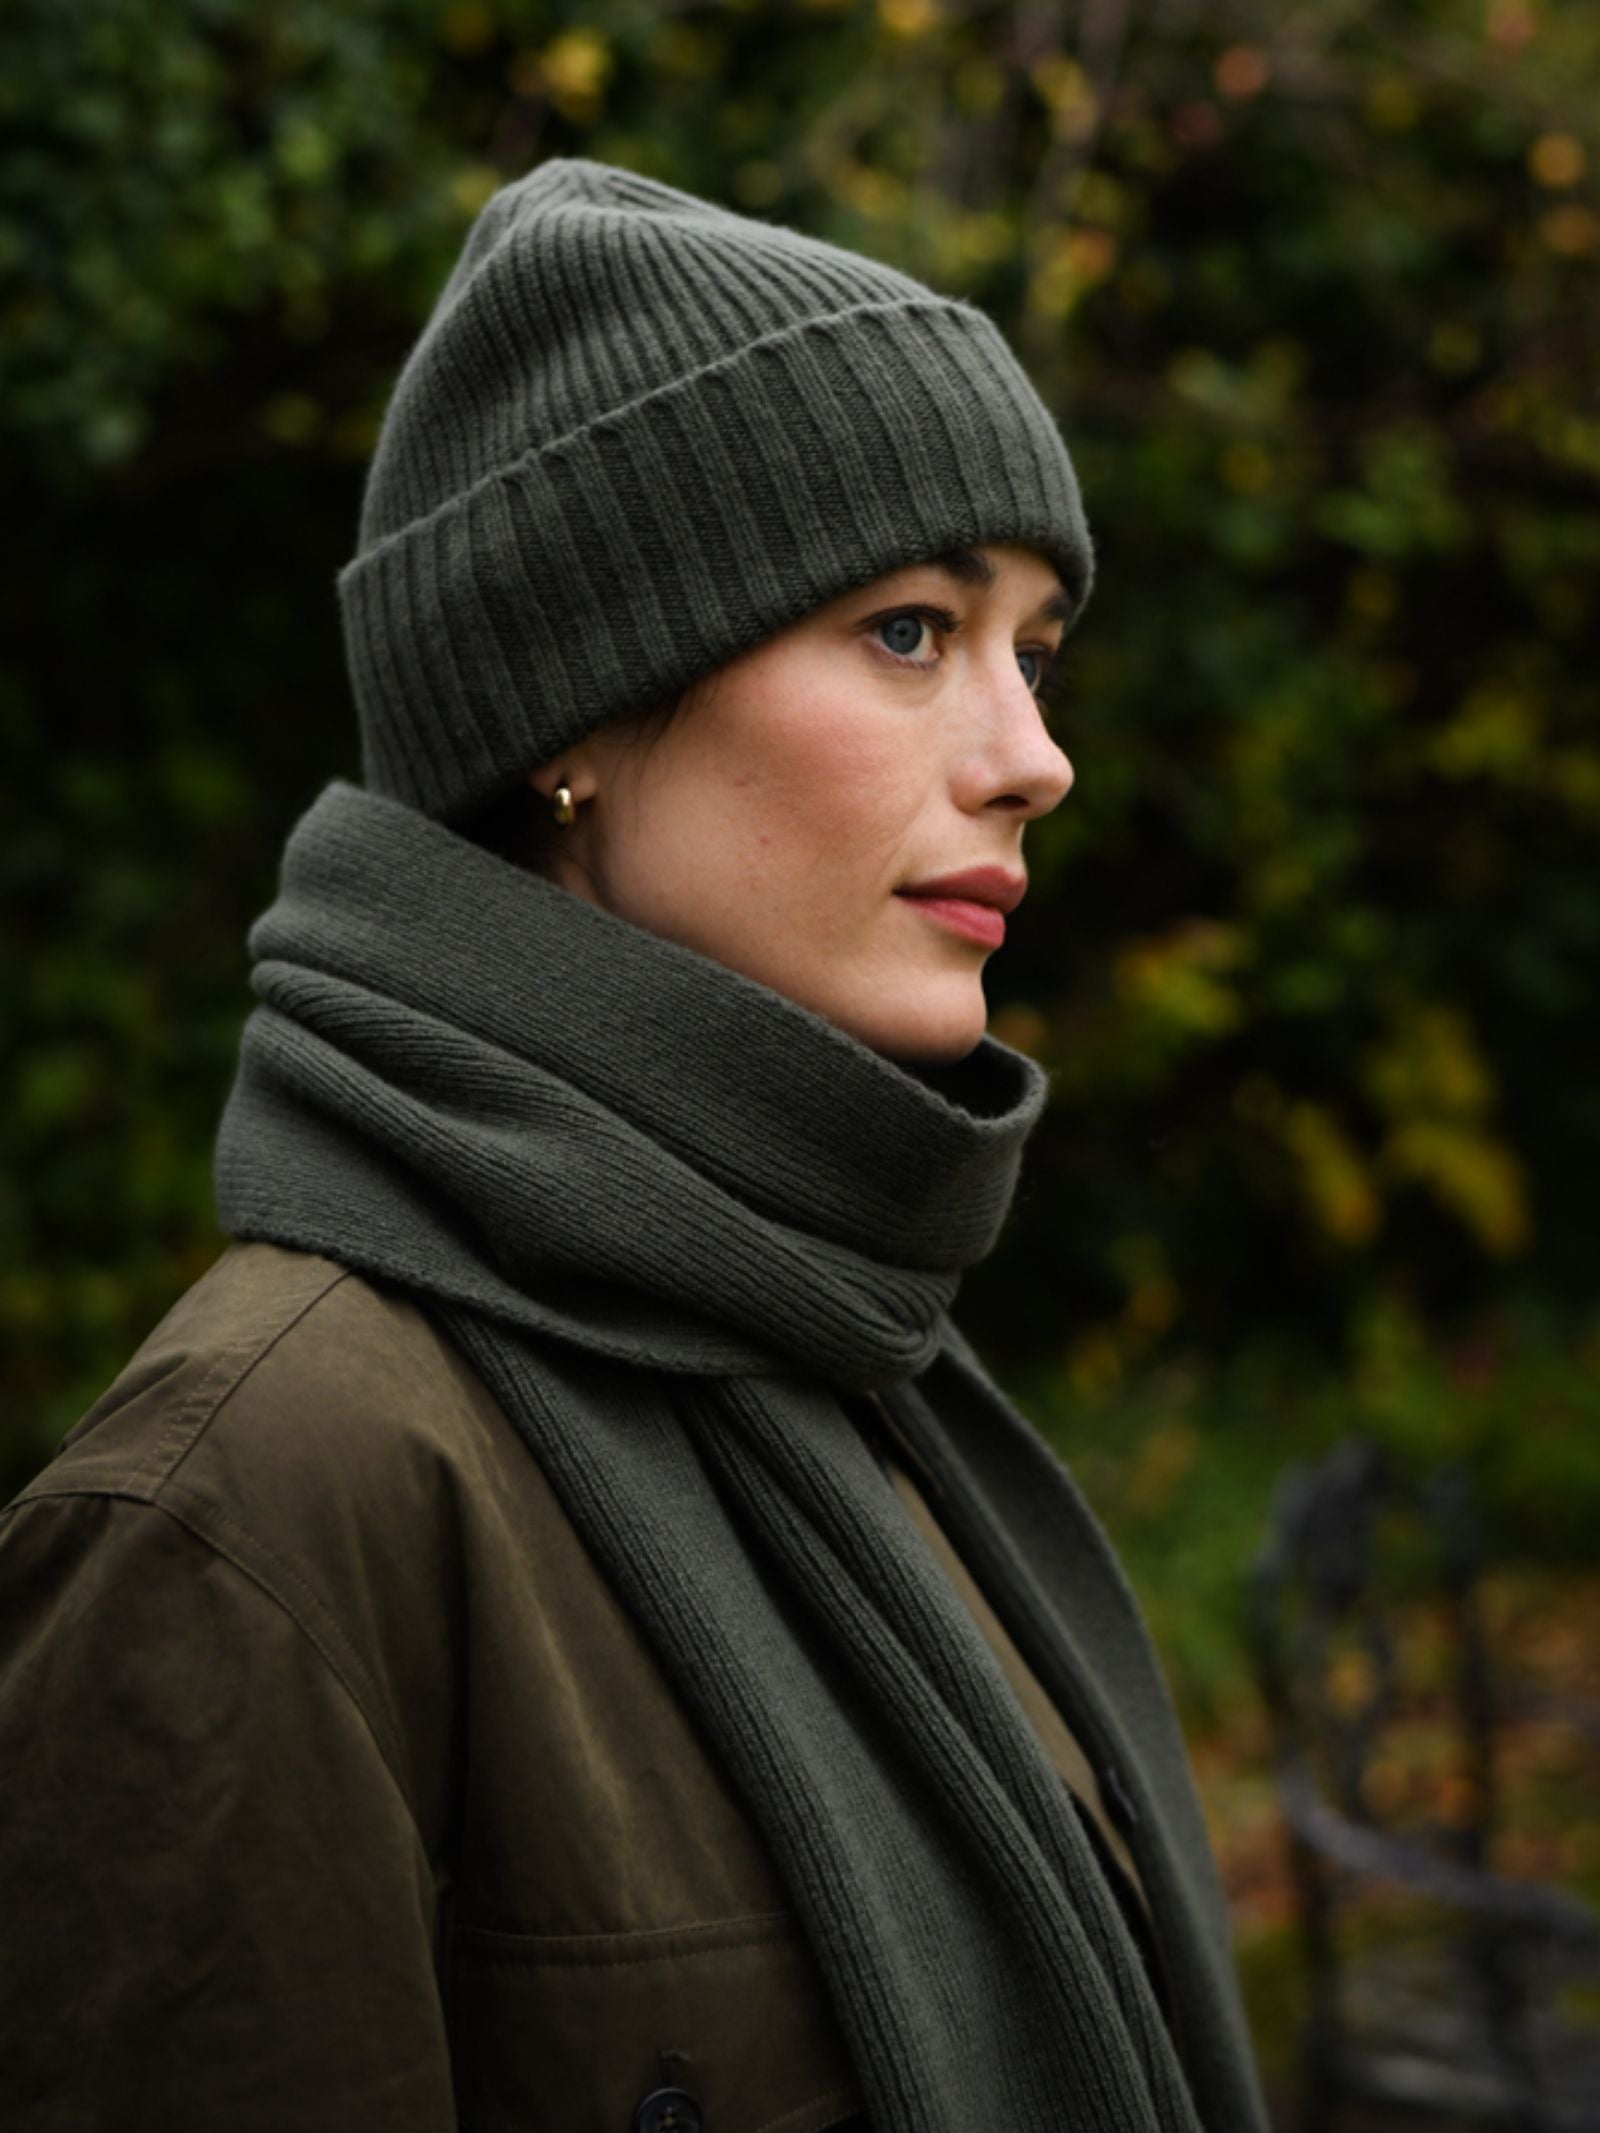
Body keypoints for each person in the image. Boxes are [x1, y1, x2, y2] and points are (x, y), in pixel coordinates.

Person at [0, 158, 1269, 2133]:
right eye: (913, 627)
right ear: (570, 710)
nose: (1033, 753)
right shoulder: (249, 1508)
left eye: (1036, 643)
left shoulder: (850, 1354)